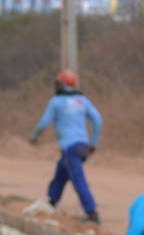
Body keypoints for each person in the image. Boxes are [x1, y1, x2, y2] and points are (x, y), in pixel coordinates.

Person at [28, 68, 103, 225]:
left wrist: (34, 136)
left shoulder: (56, 102)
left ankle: (92, 213)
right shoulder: (83, 101)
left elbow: (43, 122)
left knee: (78, 180)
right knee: (61, 172)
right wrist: (93, 144)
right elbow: (97, 120)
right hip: (82, 146)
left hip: (70, 147)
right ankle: (52, 203)